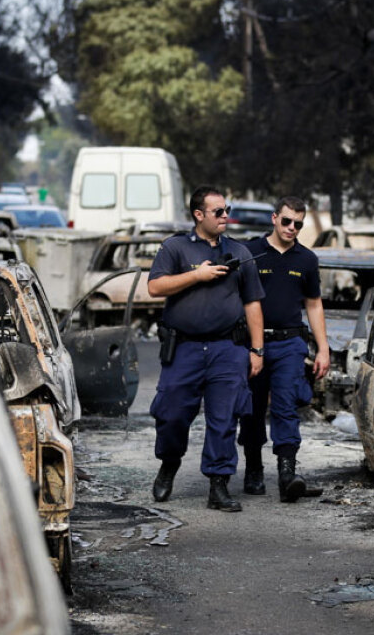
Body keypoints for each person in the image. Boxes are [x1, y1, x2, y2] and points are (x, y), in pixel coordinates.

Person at [147, 186, 265, 512]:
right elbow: (155, 286)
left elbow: (253, 303)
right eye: (218, 212)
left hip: (228, 348)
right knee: (171, 413)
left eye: (227, 210)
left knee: (225, 417)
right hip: (184, 347)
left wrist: (257, 350)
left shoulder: (239, 252)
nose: (225, 216)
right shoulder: (175, 248)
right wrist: (196, 275)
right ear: (199, 215)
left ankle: (219, 484)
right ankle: (169, 463)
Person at [239, 196, 330, 502]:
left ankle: (287, 474)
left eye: (298, 224)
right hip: (252, 344)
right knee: (250, 408)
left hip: (289, 344)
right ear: (275, 218)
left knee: (286, 406)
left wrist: (323, 349)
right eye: (287, 221)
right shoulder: (250, 252)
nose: (292, 228)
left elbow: (314, 305)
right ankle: (253, 469)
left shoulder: (306, 259)